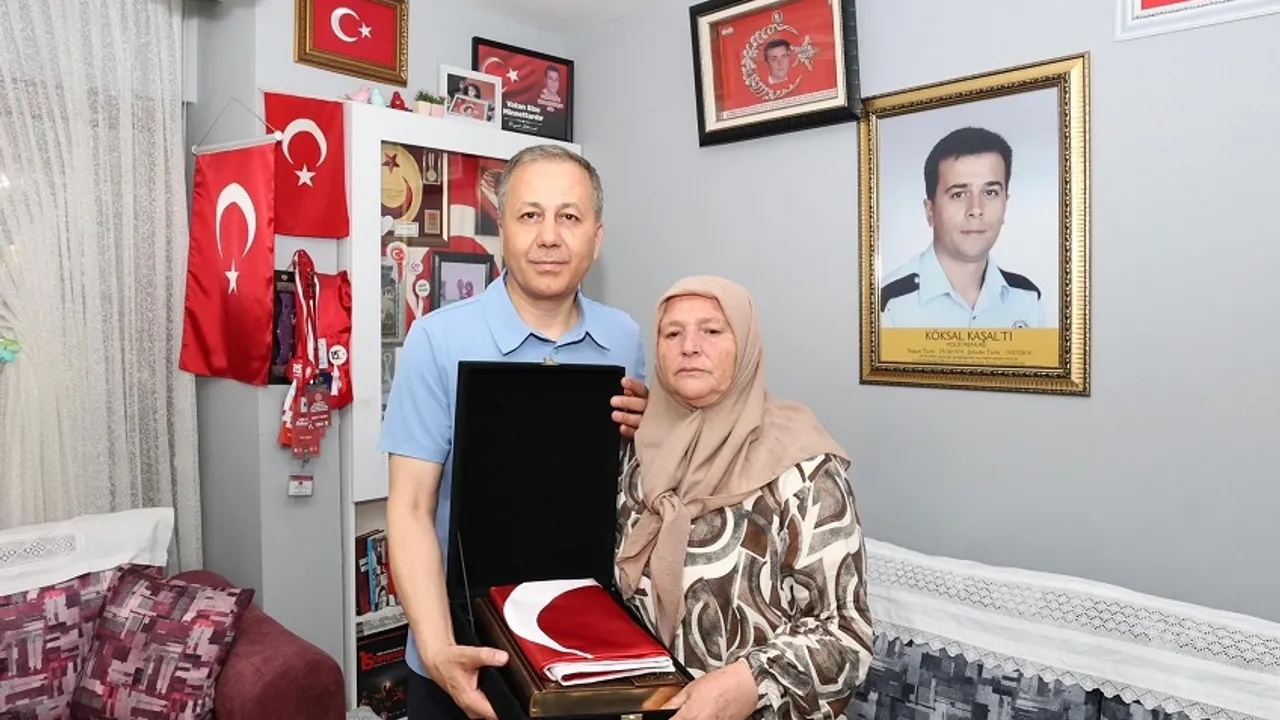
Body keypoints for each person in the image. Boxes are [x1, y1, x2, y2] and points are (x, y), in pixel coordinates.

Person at [380, 144, 651, 720]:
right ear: (501, 230)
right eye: (530, 215)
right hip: (461, 645)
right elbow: (409, 508)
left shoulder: (624, 338)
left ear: (597, 237)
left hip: (583, 645)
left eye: (569, 216)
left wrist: (651, 433)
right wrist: (438, 649)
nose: (549, 237)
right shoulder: (437, 341)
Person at [615, 275, 874, 720]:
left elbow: (846, 637)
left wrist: (751, 682)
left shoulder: (803, 468)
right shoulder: (639, 454)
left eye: (712, 330)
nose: (689, 346)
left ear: (747, 345)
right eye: (672, 333)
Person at [880, 126, 1046, 329]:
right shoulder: (889, 304)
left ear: (1005, 204)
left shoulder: (1027, 300)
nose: (976, 209)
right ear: (930, 210)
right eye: (959, 194)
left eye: (990, 192)